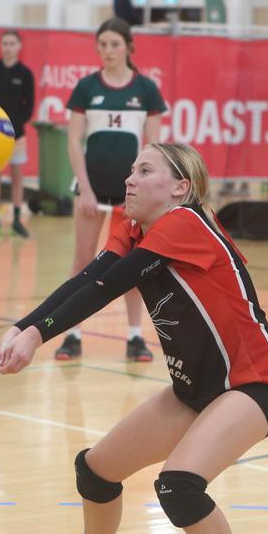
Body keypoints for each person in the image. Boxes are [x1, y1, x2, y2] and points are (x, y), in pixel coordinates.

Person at [0, 142, 268, 534]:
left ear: (180, 187)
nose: (130, 180)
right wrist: (25, 325)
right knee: (97, 471)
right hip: (194, 389)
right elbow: (88, 277)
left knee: (179, 485)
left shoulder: (186, 223)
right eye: (131, 170)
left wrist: (38, 336)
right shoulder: (133, 227)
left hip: (252, 385)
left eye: (145, 170)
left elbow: (109, 286)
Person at [58, 18, 166, 362]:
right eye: (102, 44)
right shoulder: (87, 88)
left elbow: (155, 147)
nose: (108, 51)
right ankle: (72, 333)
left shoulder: (146, 90)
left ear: (128, 47)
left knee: (131, 264)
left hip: (131, 194)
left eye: (115, 44)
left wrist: (145, 192)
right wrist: (86, 190)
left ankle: (135, 337)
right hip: (92, 190)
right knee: (82, 259)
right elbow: (74, 140)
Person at [0, 30, 36, 238]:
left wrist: (12, 127)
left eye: (12, 43)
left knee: (16, 176)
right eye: (5, 43)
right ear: (0, 46)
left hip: (17, 134)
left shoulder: (25, 74)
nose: (8, 47)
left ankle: (17, 219)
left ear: (19, 46)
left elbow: (28, 107)